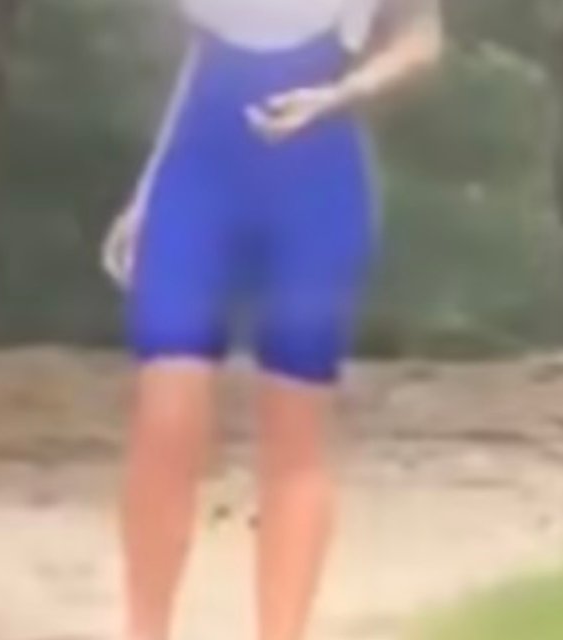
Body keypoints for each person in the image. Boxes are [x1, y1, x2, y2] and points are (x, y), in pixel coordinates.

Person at [100, 1, 441, 639]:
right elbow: (199, 55)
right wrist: (148, 191)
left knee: (294, 435)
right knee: (165, 413)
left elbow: (422, 37)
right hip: (198, 175)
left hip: (316, 182)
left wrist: (340, 95)